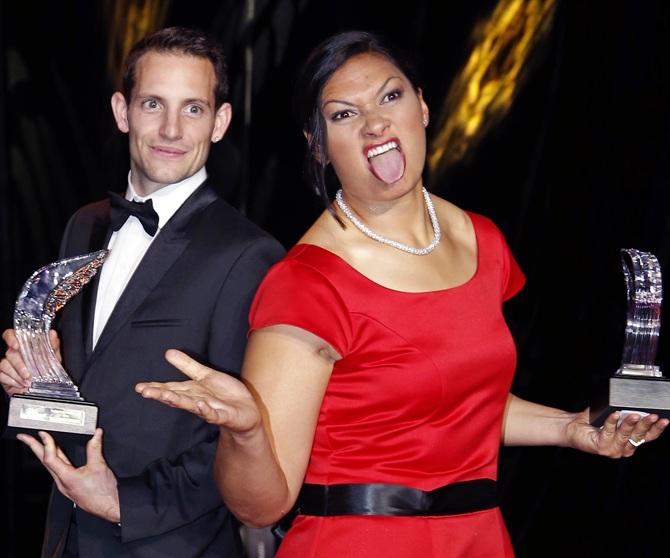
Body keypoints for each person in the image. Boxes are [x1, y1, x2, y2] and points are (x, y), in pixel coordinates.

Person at [135, 31, 667, 557]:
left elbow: (454, 407)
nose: (375, 123)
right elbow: (262, 506)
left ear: (423, 107)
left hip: (479, 538)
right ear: (318, 145)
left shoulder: (482, 242)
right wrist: (247, 432)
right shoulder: (308, 281)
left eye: (391, 96)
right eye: (344, 114)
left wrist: (571, 429)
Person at [0, 27, 284, 558]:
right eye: (153, 103)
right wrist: (31, 386)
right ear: (121, 110)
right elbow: (77, 388)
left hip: (171, 544)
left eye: (193, 109)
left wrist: (124, 504)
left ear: (220, 122)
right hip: (64, 536)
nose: (171, 129)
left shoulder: (248, 255)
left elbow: (247, 436)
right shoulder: (83, 226)